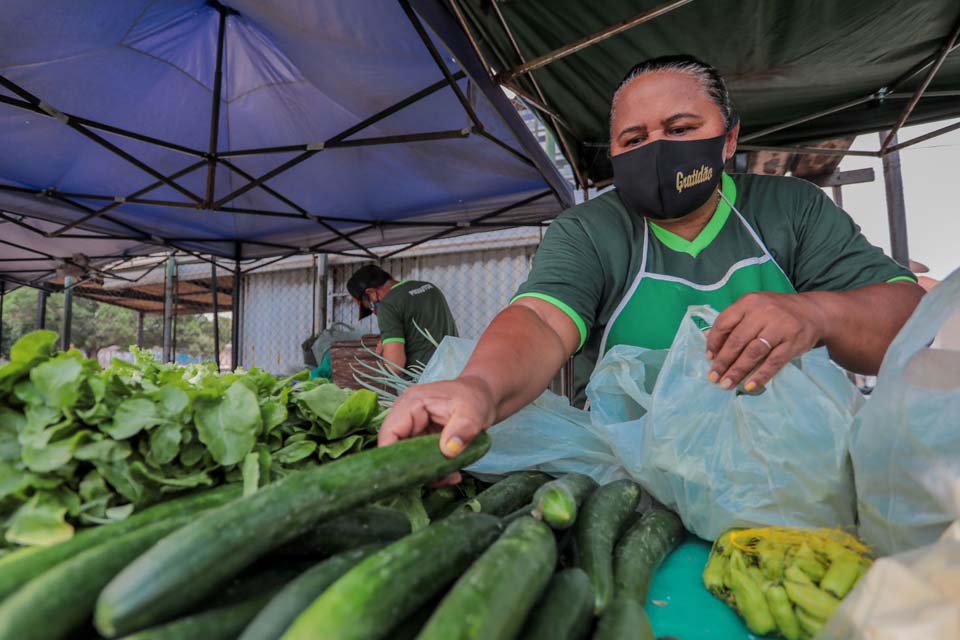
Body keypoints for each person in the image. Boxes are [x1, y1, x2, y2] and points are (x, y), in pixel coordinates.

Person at [379, 54, 925, 464]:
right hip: (637, 474)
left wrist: (817, 314)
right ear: (614, 154)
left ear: (728, 139)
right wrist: (479, 387)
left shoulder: (791, 209)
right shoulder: (591, 230)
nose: (657, 150)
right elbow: (542, 320)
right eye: (634, 139)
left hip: (790, 465)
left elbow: (904, 318)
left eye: (682, 130)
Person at [347, 264, 458, 371]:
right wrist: (386, 339)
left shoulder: (388, 305)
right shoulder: (429, 287)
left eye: (367, 306)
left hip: (424, 380)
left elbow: (394, 366)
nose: (373, 310)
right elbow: (419, 323)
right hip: (455, 369)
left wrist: (383, 356)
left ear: (371, 293)